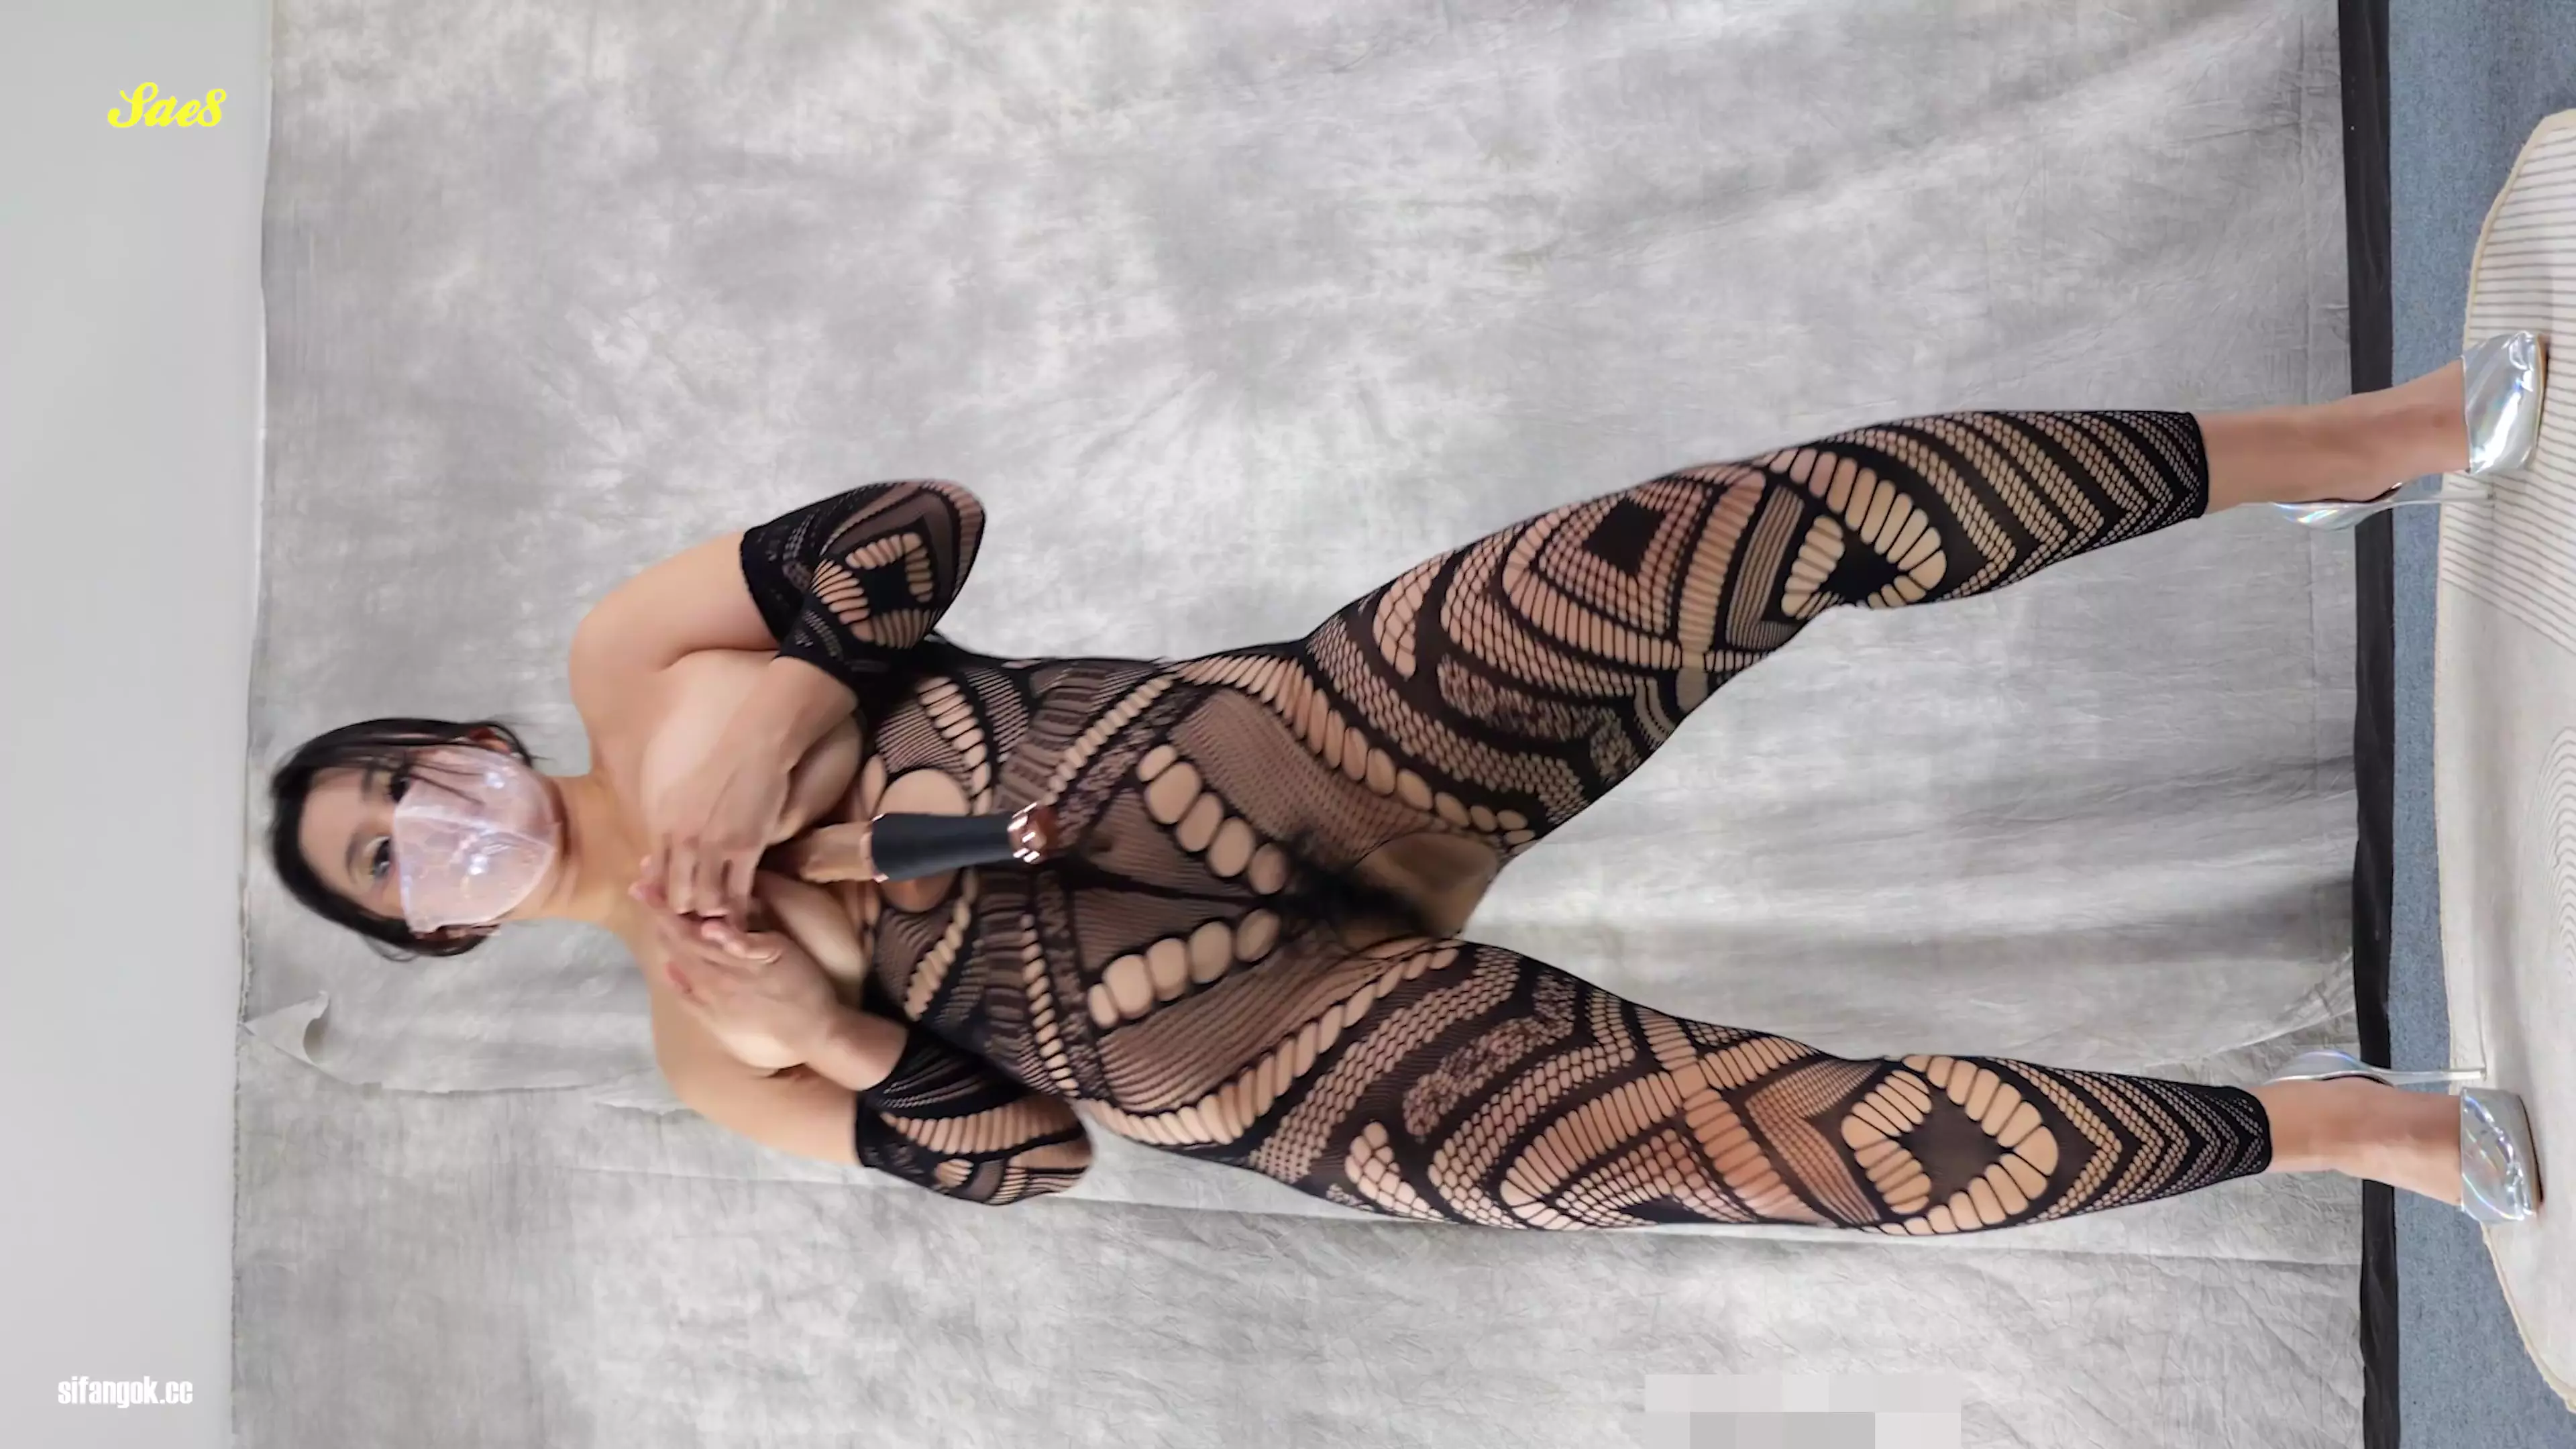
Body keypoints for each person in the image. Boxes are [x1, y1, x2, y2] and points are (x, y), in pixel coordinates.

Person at [268, 343, 2544, 1232]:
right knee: (1793, 1154)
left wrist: (789, 695)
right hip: (1296, 1065)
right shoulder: (704, 1055)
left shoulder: (634, 667)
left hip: (1329, 744)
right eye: (393, 867)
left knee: (1767, 524)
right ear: (436, 935)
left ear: (463, 737)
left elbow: (921, 523)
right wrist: (822, 1031)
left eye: (405, 780)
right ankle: (2351, 1128)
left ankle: (2373, 443)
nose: (433, 823)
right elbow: (1026, 1161)